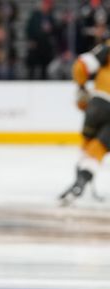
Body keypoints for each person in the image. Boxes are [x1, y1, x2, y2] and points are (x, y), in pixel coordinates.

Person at [60, 40, 110, 204]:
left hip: (97, 104)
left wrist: (81, 88)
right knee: (97, 150)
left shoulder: (107, 47)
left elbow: (80, 65)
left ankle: (78, 182)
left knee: (87, 146)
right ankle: (80, 184)